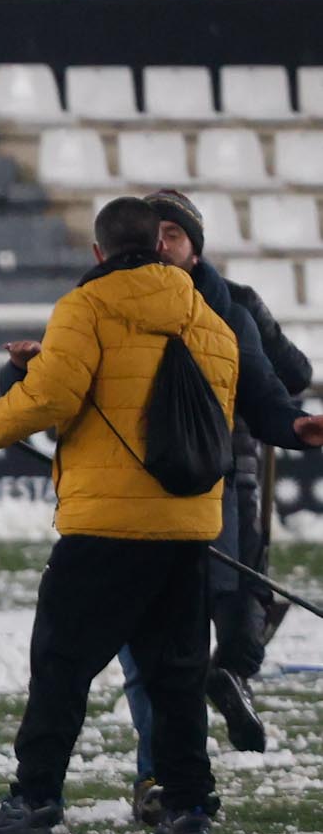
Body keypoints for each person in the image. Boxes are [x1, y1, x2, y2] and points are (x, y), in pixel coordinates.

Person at [0, 194, 266, 834]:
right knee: (176, 675)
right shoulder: (210, 320)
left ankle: (36, 799)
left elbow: (55, 396)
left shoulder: (87, 306)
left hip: (104, 527)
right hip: (187, 528)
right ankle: (189, 807)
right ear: (162, 243)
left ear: (98, 252)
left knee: (61, 666)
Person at [115, 190, 315, 788]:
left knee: (233, 599)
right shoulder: (102, 302)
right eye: (153, 232)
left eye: (174, 234)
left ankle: (222, 688)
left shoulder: (236, 306)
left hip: (224, 478)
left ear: (195, 248)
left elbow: (292, 376)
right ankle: (165, 773)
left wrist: (283, 412)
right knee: (153, 643)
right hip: (133, 490)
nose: (161, 243)